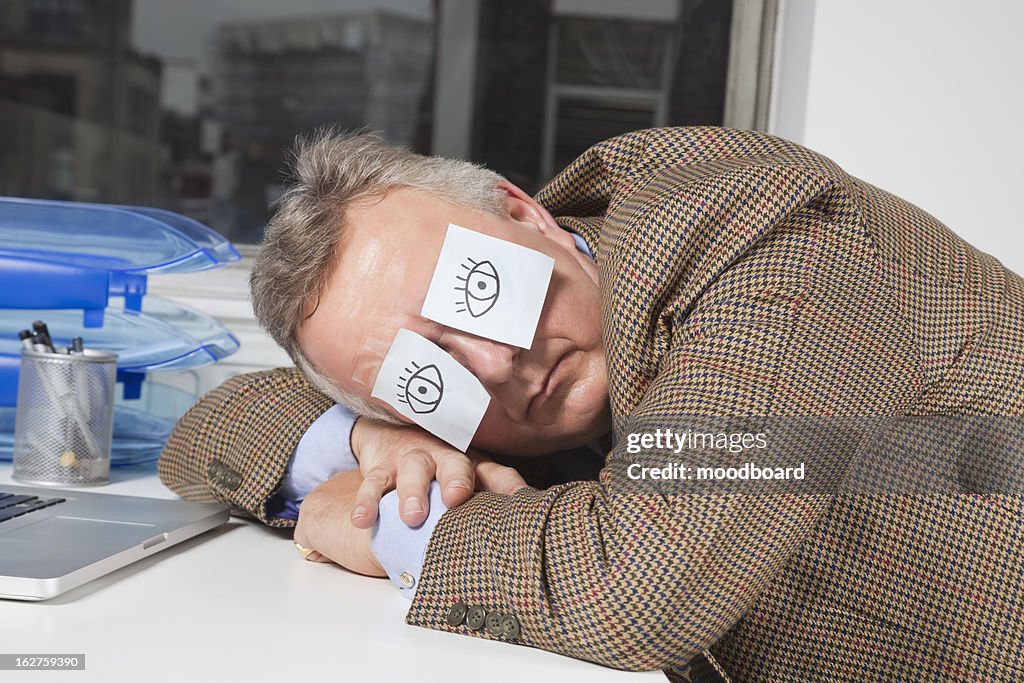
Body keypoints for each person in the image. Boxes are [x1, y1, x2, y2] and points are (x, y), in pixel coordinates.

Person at [158, 127, 1024, 681]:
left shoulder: (767, 241)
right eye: (429, 375)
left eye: (480, 292)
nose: (496, 363)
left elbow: (639, 587)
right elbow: (208, 426)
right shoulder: (467, 397)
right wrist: (367, 441)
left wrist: (390, 521)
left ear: (527, 213)